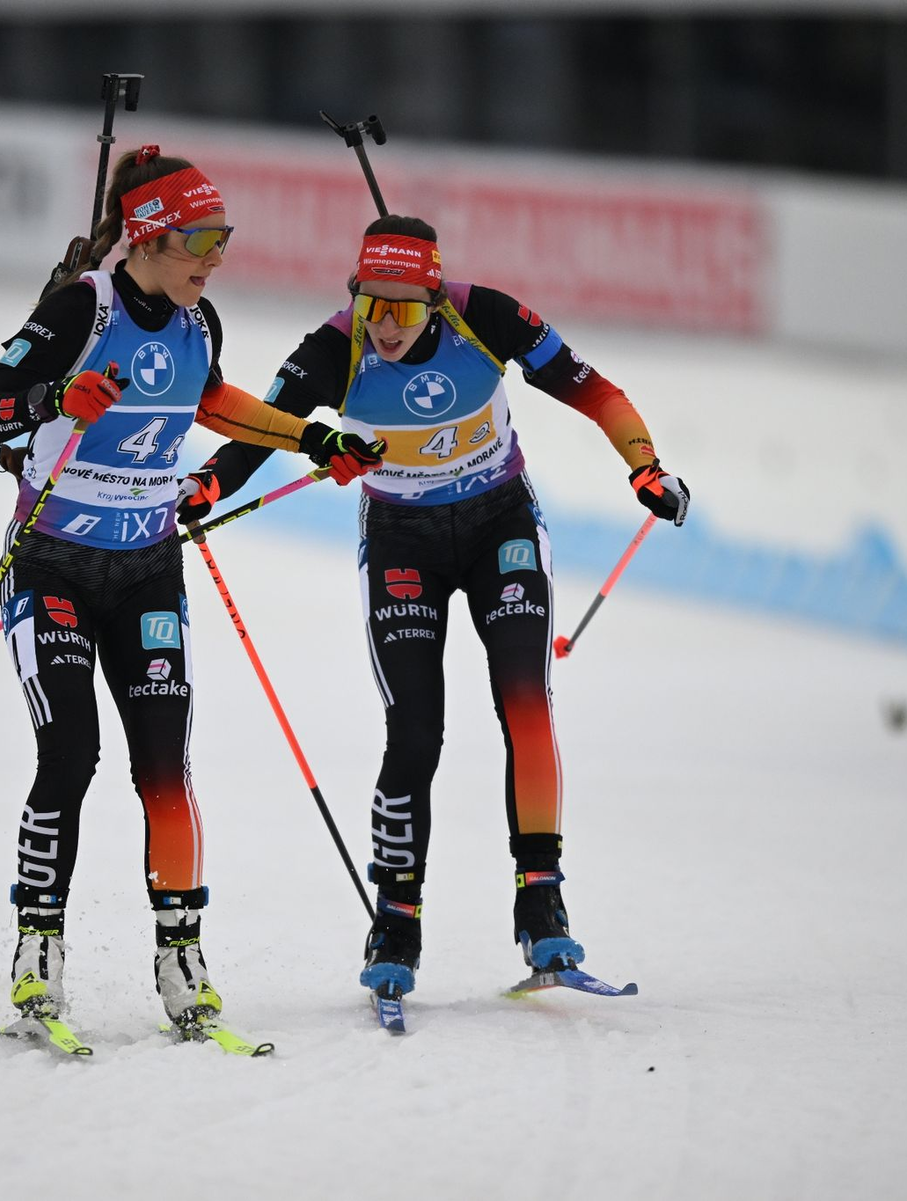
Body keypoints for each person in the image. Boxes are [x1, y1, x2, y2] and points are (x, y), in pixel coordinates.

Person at [179, 215, 689, 999]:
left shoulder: (487, 315)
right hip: (401, 540)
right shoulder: (335, 346)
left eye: (405, 309)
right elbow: (257, 432)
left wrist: (645, 467)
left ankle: (541, 901)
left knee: (524, 702)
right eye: (372, 306)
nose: (386, 327)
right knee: (416, 728)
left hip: (500, 525)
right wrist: (205, 486)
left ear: (434, 298)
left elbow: (596, 389)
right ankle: (397, 917)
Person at [0, 145, 383, 1032]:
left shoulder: (200, 320)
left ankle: (182, 957)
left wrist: (310, 438)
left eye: (222, 240)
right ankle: (40, 948)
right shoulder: (85, 306)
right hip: (54, 566)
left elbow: (213, 401)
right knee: (71, 754)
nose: (214, 257)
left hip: (148, 568)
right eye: (201, 239)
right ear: (150, 237)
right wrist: (55, 400)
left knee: (165, 767)